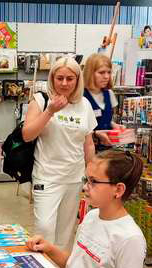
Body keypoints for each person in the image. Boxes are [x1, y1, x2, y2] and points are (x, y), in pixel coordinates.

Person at [26, 150, 146, 268]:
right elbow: (77, 266)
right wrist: (49, 248)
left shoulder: (130, 238)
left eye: (94, 182)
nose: (85, 187)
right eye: (86, 180)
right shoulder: (91, 217)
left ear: (118, 189)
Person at [22, 56, 96, 251]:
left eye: (70, 79)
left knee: (65, 232)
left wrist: (93, 174)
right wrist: (50, 111)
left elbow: (88, 144)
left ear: (77, 80)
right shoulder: (40, 99)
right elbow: (27, 135)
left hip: (74, 178)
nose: (64, 83)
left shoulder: (84, 105)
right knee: (44, 229)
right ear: (52, 78)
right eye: (59, 78)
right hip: (47, 176)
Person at [82, 53, 123, 151]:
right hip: (87, 149)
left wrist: (114, 125)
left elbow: (105, 118)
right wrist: (96, 134)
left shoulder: (109, 94)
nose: (106, 76)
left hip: (107, 148)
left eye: (109, 72)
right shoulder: (81, 96)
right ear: (90, 73)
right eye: (101, 72)